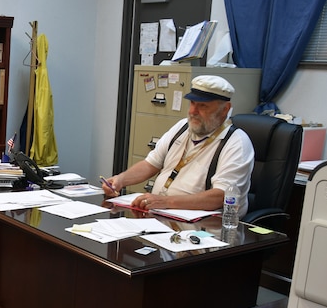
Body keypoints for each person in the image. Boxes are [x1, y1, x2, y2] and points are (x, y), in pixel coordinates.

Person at [102, 75, 255, 216]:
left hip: (204, 227)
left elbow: (220, 196)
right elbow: (151, 164)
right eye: (192, 103)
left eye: (203, 106)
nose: (193, 111)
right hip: (162, 215)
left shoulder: (236, 143)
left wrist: (166, 202)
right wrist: (120, 180)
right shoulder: (183, 127)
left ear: (225, 109)